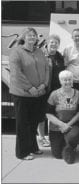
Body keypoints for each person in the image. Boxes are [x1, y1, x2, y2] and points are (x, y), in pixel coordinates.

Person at [9, 27, 49, 160]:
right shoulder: (16, 51)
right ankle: (22, 152)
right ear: (23, 37)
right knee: (22, 124)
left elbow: (46, 68)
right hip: (23, 94)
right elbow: (16, 73)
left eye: (34, 35)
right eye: (29, 35)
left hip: (38, 93)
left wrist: (44, 84)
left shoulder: (39, 51)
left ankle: (33, 147)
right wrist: (29, 87)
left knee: (33, 122)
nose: (32, 37)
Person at [46, 70, 79, 164]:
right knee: (57, 155)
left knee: (72, 137)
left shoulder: (78, 94)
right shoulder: (54, 94)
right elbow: (48, 114)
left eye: (69, 79)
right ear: (60, 81)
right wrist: (62, 124)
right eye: (64, 80)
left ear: (72, 81)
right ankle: (65, 145)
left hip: (72, 125)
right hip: (57, 126)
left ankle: (71, 147)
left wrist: (68, 125)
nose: (67, 82)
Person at [37, 34, 66, 148]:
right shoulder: (41, 54)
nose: (54, 44)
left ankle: (51, 136)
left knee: (53, 113)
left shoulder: (59, 56)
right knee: (41, 114)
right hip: (44, 89)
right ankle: (41, 137)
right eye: (52, 42)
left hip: (56, 91)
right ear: (47, 43)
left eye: (56, 42)